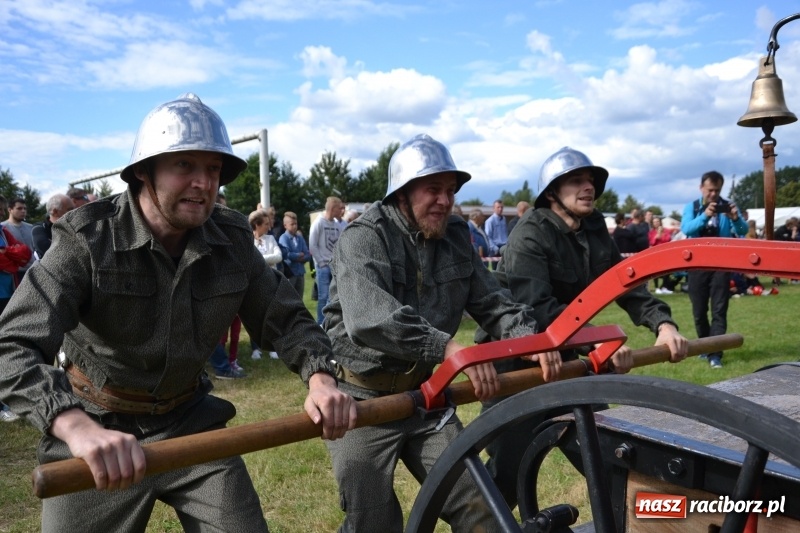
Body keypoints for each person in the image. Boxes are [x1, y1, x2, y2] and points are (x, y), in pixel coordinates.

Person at [0, 93, 356, 533]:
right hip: (96, 429)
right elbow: (11, 346)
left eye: (212, 169)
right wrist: (75, 426)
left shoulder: (230, 239)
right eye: (184, 165)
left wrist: (321, 379)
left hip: (191, 423)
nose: (203, 183)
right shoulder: (87, 239)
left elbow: (287, 318)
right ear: (143, 173)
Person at [322, 133, 560, 533]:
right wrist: (447, 347)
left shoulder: (455, 236)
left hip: (424, 396)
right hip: (360, 401)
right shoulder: (363, 237)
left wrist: (530, 342)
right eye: (433, 190)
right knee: (374, 523)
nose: (445, 201)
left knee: (482, 508)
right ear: (401, 193)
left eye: (450, 191)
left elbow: (494, 302)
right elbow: (368, 318)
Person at [477, 146, 688, 509]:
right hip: (516, 362)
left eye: (590, 180)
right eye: (576, 181)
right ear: (552, 193)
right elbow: (537, 309)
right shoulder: (530, 234)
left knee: (608, 458)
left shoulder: (593, 227)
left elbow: (623, 280)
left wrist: (662, 323)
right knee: (506, 476)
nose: (588, 187)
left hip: (568, 361)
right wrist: (598, 340)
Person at [681, 170, 748, 368]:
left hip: (720, 264)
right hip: (696, 265)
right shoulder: (692, 207)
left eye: (717, 190)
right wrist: (705, 215)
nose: (713, 195)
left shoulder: (727, 206)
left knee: (719, 310)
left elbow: (743, 231)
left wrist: (735, 218)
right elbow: (687, 229)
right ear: (701, 188)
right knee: (699, 311)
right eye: (710, 190)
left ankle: (715, 354)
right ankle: (704, 347)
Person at [309, 196, 345, 324]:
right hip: (323, 267)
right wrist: (321, 263)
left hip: (334, 265)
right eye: (339, 208)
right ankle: (320, 324)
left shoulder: (337, 225)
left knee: (333, 297)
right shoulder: (319, 222)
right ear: (332, 208)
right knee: (323, 297)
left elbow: (341, 243)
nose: (341, 211)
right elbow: (312, 245)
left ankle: (330, 323)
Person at [32, 193, 75, 259]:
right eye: (70, 209)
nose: (74, 212)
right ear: (55, 211)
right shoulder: (40, 228)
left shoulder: (73, 226)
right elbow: (45, 248)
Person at [279, 211, 311, 298]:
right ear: (285, 225)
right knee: (289, 298)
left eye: (296, 224)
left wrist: (297, 257)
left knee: (300, 298)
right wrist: (299, 255)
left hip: (300, 273)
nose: (295, 226)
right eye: (292, 224)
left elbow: (307, 254)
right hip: (290, 273)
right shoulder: (283, 238)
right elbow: (287, 255)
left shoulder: (300, 238)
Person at [3, 197, 35, 277]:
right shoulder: (3, 228)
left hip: (33, 269)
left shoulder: (31, 227)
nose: (23, 211)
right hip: (14, 272)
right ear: (10, 210)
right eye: (19, 208)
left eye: (25, 208)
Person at [649, 216, 674, 294]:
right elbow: (651, 243)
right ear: (652, 224)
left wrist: (662, 234)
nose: (656, 223)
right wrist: (657, 236)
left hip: (665, 253)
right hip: (655, 253)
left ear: (660, 222)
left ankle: (663, 287)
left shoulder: (666, 231)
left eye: (657, 221)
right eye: (654, 222)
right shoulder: (651, 232)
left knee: (667, 271)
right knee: (655, 271)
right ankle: (656, 288)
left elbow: (668, 239)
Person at [484, 199, 508, 267]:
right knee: (496, 270)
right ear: (493, 208)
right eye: (498, 207)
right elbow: (488, 236)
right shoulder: (490, 221)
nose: (500, 209)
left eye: (501, 207)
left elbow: (505, 233)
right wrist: (495, 248)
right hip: (495, 249)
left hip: (504, 247)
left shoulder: (504, 219)